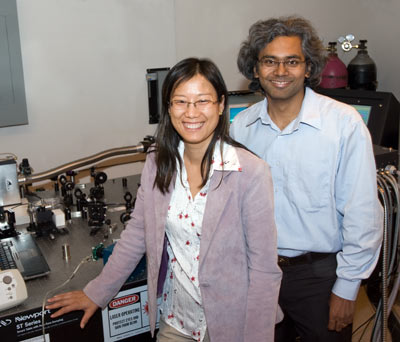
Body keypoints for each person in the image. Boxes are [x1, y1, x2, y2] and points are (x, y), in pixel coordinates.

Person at [46, 57, 282, 342]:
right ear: (169, 108)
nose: (191, 113)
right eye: (180, 101)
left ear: (221, 105)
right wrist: (96, 293)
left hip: (232, 324)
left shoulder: (250, 172)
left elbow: (264, 270)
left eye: (202, 101)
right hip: (177, 320)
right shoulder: (158, 163)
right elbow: (136, 234)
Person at [230, 16, 383, 342]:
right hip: (257, 273)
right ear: (255, 69)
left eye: (292, 62)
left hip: (318, 279)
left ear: (309, 68)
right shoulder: (241, 128)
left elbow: (362, 213)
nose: (281, 72)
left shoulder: (343, 125)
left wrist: (348, 285)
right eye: (270, 61)